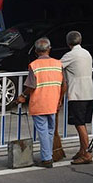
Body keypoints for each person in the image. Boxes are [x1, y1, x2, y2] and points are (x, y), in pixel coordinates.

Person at [15, 37, 65, 168]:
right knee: (50, 130)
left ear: (36, 51)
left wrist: (22, 95)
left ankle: (47, 158)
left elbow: (31, 86)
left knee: (43, 131)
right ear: (49, 49)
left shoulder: (34, 65)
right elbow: (64, 84)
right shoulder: (58, 64)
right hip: (53, 102)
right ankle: (48, 156)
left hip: (39, 103)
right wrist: (60, 100)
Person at [60, 30, 93, 164]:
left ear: (68, 42)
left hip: (77, 93)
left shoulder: (71, 55)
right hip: (89, 92)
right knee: (82, 123)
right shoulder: (87, 53)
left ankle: (86, 153)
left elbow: (57, 66)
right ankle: (82, 149)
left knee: (79, 124)